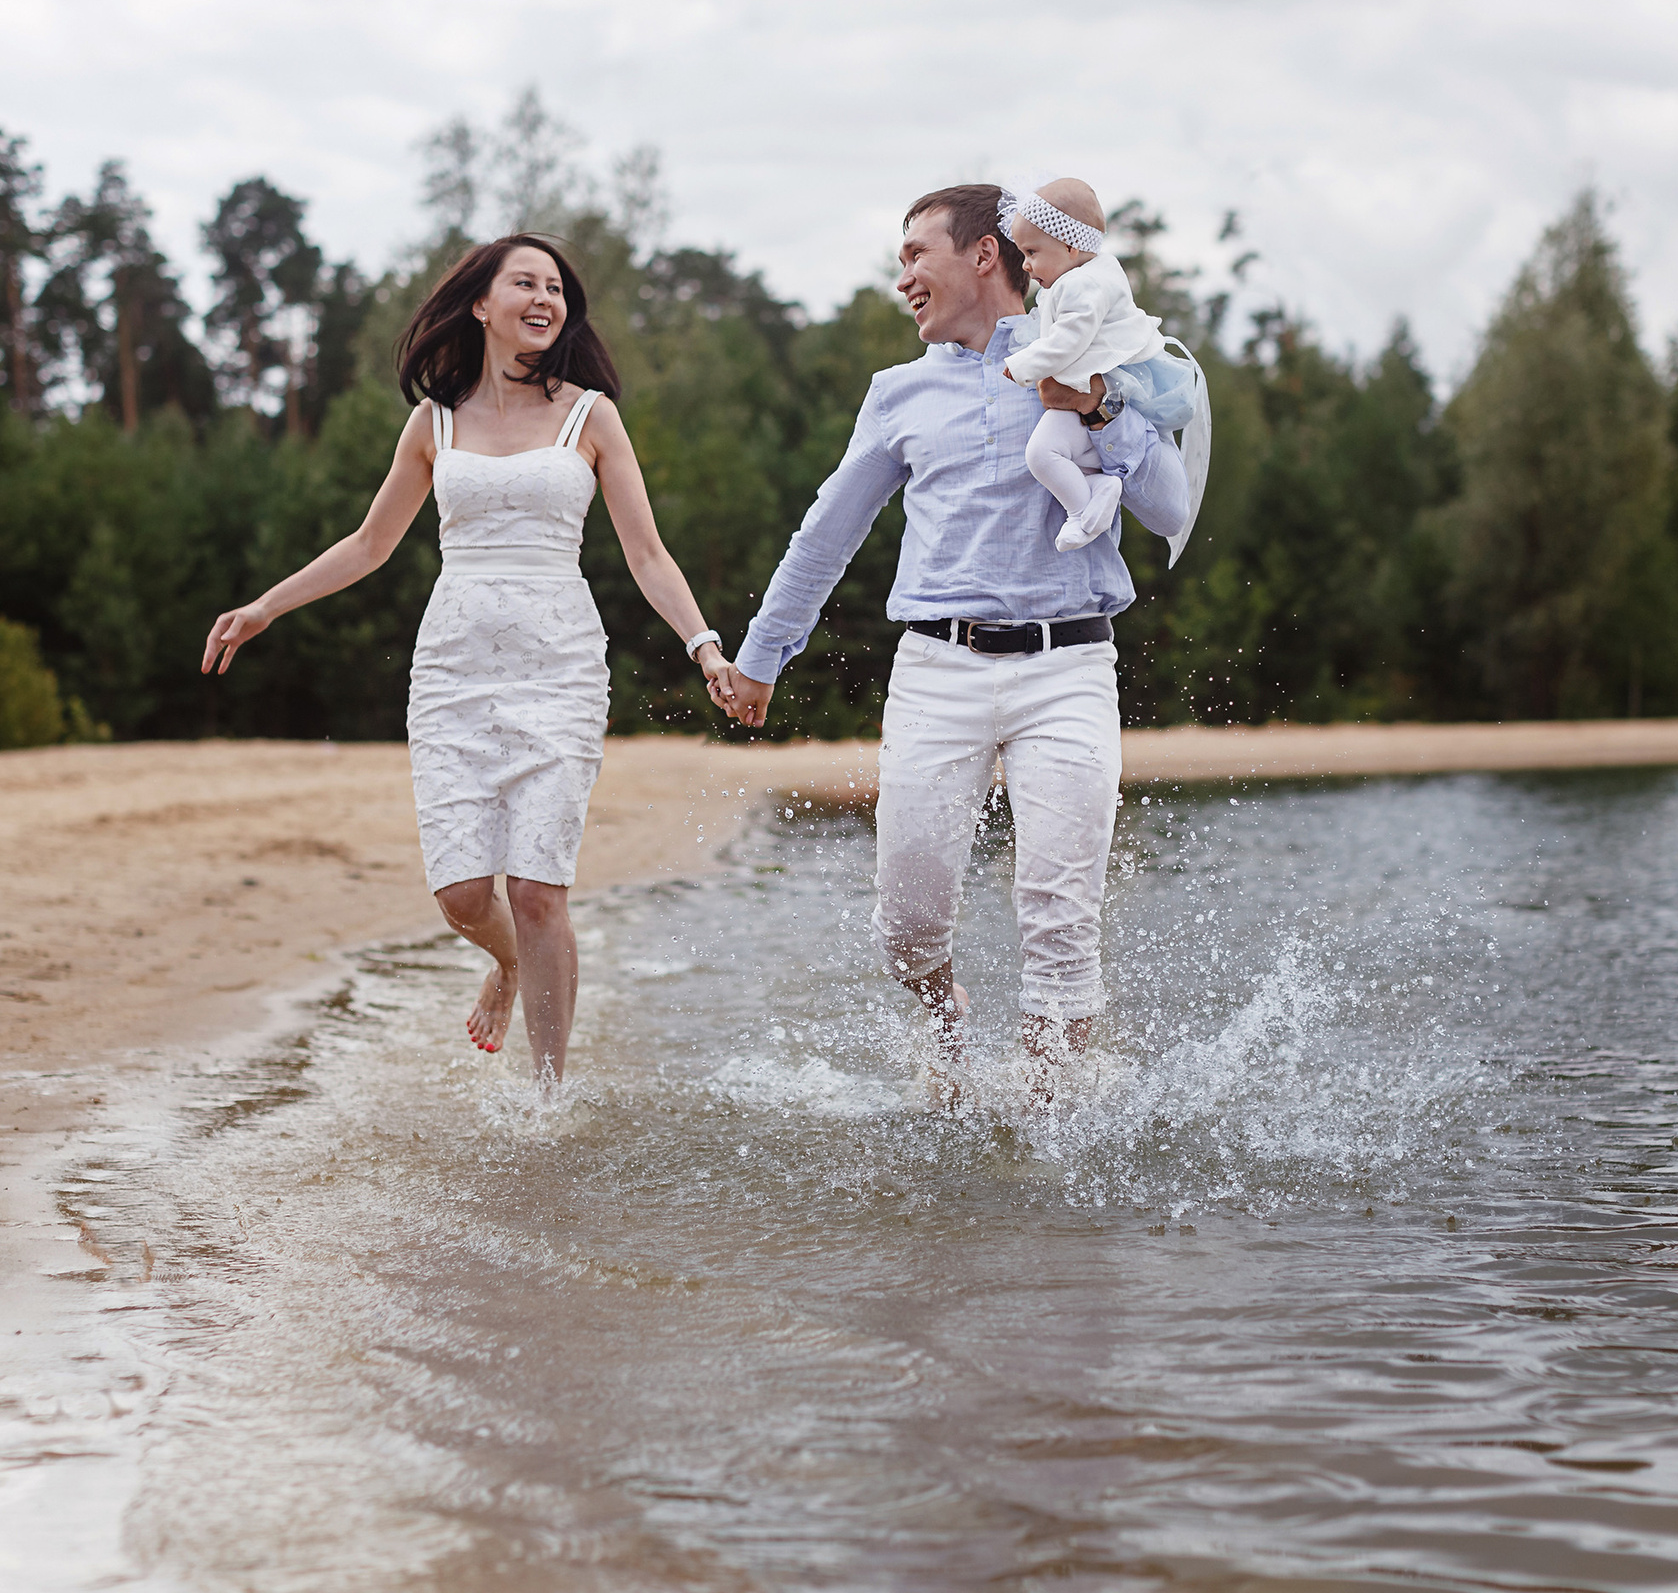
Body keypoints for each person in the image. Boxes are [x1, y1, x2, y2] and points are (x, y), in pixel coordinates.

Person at [201, 234, 737, 1086]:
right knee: (460, 897)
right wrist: (267, 604)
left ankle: (550, 1097)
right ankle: (510, 962)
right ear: (482, 304)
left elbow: (647, 554)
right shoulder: (434, 422)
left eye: (555, 287)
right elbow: (371, 544)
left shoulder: (591, 415)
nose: (545, 298)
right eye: (525, 282)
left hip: (559, 666)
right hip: (454, 672)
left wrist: (703, 644)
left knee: (537, 890)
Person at [711, 184, 1193, 1106]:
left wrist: (1098, 407)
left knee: (1061, 929)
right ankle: (945, 1015)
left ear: (983, 255)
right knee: (907, 927)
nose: (902, 279)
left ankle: (1049, 1140)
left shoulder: (1091, 356)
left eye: (914, 255)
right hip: (937, 672)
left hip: (1069, 668)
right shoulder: (898, 393)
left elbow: (1170, 510)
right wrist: (763, 656)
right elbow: (826, 535)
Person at [997, 178, 1165, 551]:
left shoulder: (1080, 286)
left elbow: (1066, 342)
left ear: (1070, 246)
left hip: (1082, 388)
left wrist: (1023, 365)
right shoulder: (1099, 272)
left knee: (1041, 454)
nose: (1025, 265)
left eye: (1031, 252)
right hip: (1092, 387)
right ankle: (1097, 488)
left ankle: (1080, 511)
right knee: (1071, 456)